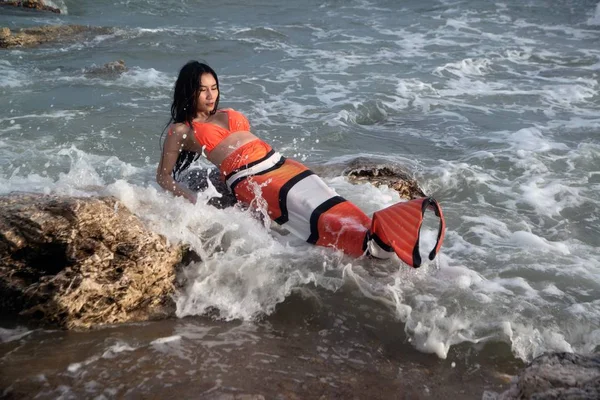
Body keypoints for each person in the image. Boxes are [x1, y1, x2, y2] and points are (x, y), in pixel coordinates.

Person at [157, 61, 445, 268]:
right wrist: (195, 201)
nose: (211, 95)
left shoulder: (229, 113)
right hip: (253, 180)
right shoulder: (181, 130)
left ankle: (381, 236)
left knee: (331, 202)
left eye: (214, 88)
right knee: (312, 214)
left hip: (281, 165)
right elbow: (164, 179)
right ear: (188, 92)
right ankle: (370, 250)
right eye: (203, 90)